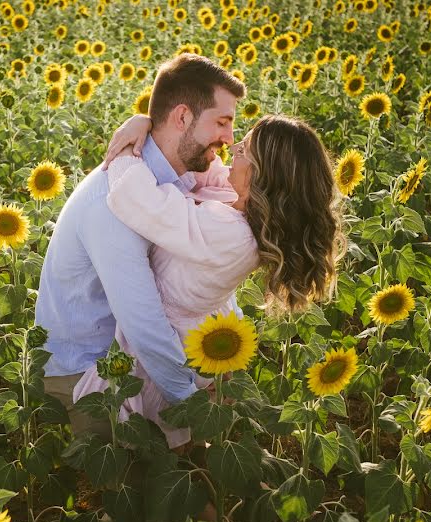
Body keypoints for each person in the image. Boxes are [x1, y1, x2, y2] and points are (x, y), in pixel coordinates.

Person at [73, 111, 348, 450]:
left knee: (157, 471)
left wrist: (129, 146)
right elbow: (210, 176)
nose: (232, 150)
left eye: (244, 150)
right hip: (182, 348)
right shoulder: (245, 220)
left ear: (262, 177)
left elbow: (136, 197)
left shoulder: (228, 234)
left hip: (155, 361)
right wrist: (149, 122)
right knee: (180, 464)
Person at [35, 54, 246, 442]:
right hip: (87, 369)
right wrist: (191, 404)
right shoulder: (114, 203)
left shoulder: (173, 174)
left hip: (131, 353)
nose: (230, 138)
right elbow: (143, 324)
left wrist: (144, 122)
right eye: (222, 122)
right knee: (157, 485)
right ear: (182, 117)